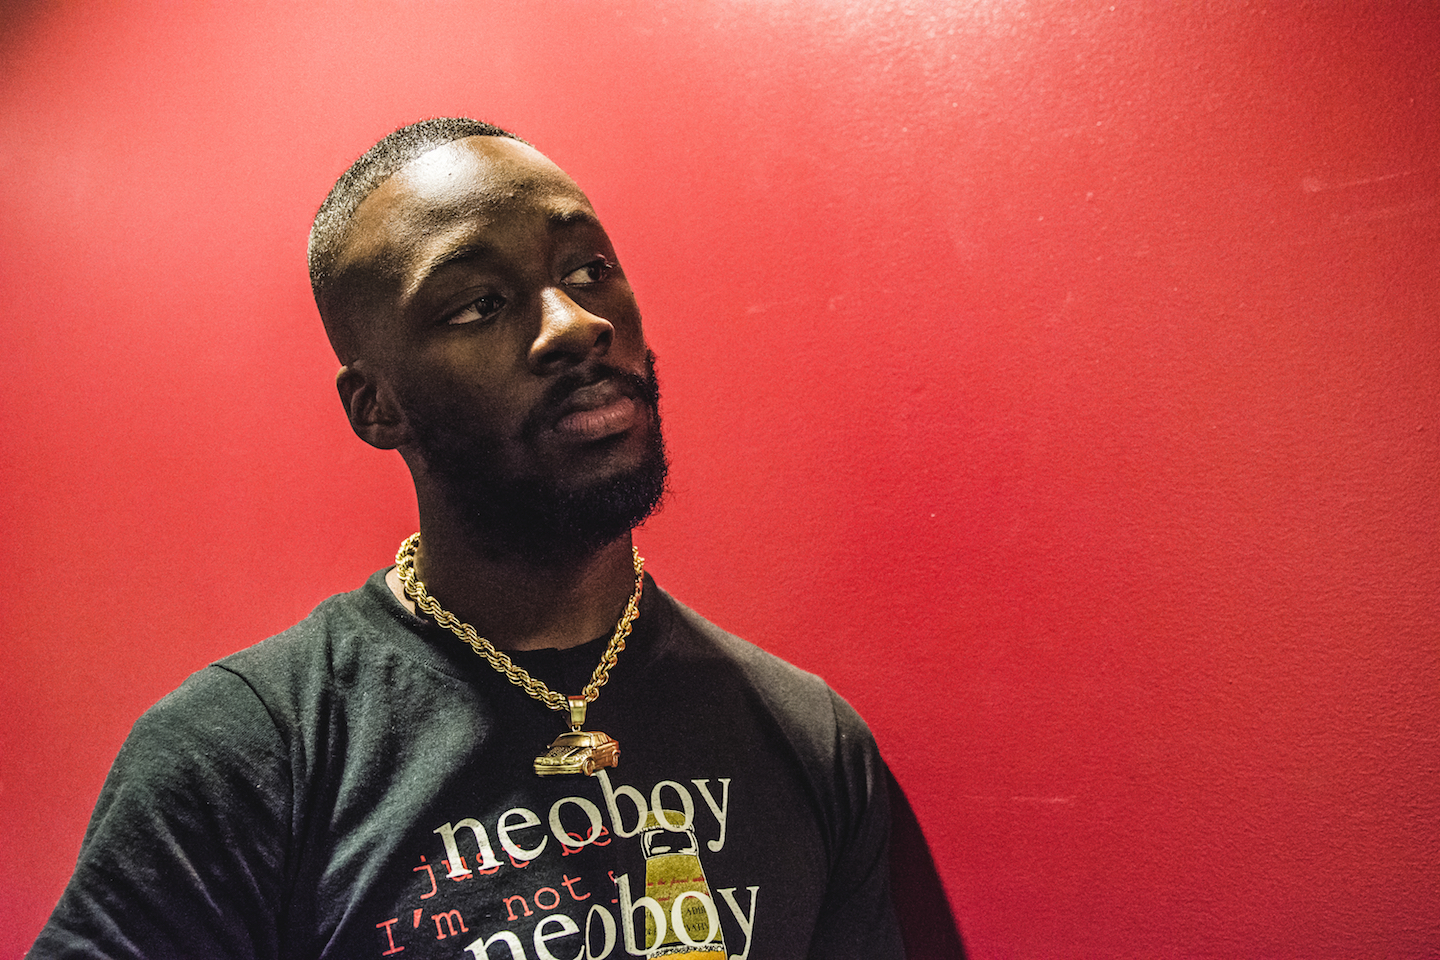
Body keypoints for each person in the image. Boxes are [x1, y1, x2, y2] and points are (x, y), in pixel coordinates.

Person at [29, 118, 906, 960]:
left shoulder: (809, 740)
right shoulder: (243, 760)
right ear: (377, 406)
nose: (576, 324)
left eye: (589, 269)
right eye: (480, 305)